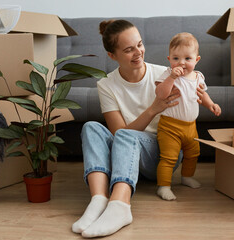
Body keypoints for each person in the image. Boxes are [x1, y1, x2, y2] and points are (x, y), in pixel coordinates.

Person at [71, 19, 183, 238]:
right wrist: (153, 109)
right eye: (129, 49)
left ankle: (120, 205)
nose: (138, 53)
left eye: (140, 45)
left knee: (125, 135)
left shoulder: (164, 76)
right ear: (112, 56)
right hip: (125, 154)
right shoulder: (106, 84)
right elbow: (117, 132)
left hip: (161, 156)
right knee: (91, 127)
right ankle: (99, 199)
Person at [155, 32, 221, 201]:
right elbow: (160, 94)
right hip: (169, 126)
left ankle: (186, 177)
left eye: (187, 59)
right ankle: (163, 186)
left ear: (196, 60)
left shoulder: (198, 76)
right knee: (169, 157)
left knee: (193, 154)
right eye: (176, 58)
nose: (181, 63)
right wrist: (171, 78)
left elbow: (202, 94)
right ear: (169, 59)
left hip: (191, 126)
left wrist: (211, 104)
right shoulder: (168, 75)